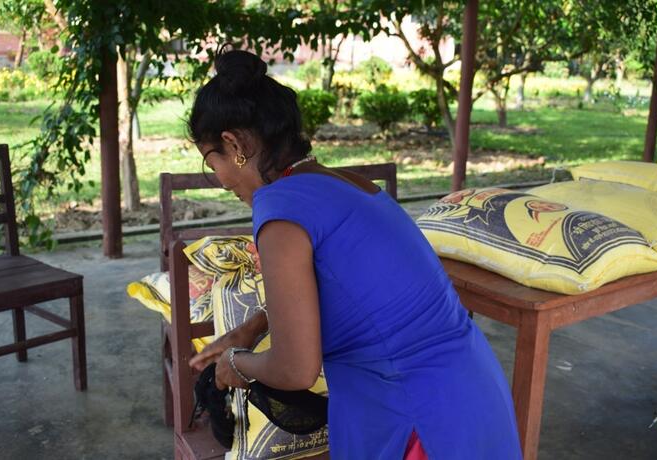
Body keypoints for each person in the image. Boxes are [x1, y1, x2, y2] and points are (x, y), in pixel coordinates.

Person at [187, 48, 522, 460]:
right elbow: (349, 291)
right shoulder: (350, 185)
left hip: (416, 422)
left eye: (211, 161)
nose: (220, 181)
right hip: (471, 398)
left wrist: (236, 364)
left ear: (233, 144)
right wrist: (253, 328)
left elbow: (295, 369)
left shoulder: (278, 211)